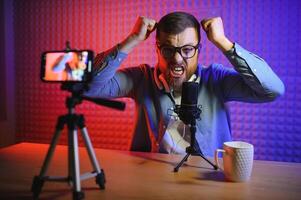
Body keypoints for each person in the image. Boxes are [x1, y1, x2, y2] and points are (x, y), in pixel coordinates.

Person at [84, 12, 284, 156]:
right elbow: (87, 87)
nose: (178, 59)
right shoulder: (140, 79)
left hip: (206, 181)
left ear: (199, 49)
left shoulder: (217, 80)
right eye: (169, 50)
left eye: (187, 49)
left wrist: (223, 42)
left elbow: (273, 90)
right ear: (157, 49)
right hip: (149, 178)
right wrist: (132, 40)